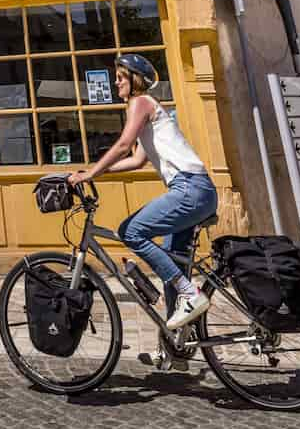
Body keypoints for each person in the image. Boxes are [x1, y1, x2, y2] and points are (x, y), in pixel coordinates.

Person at [68, 53, 216, 330]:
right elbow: (136, 160)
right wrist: (96, 171)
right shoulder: (149, 108)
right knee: (171, 259)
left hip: (189, 188)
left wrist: (91, 173)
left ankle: (190, 293)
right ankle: (176, 342)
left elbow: (124, 144)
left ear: (135, 80)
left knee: (130, 232)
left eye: (121, 77)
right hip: (197, 190)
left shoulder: (141, 102)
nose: (116, 82)